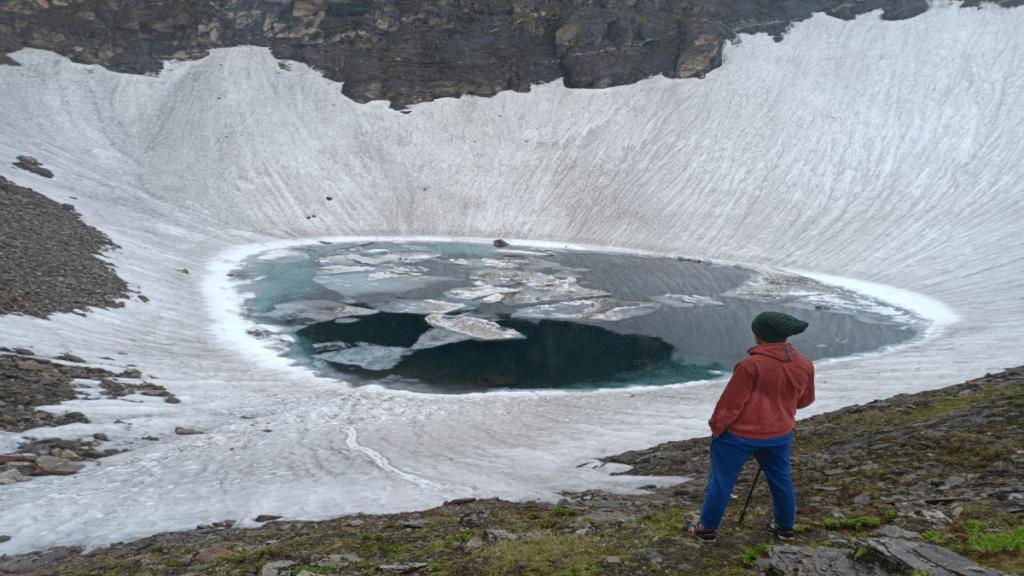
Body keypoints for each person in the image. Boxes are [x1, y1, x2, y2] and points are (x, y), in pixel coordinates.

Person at [683, 311, 815, 542]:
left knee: (722, 481)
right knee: (781, 478)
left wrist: (717, 428)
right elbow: (805, 401)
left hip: (738, 437)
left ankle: (705, 529)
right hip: (779, 435)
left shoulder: (750, 365)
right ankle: (784, 527)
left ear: (760, 336)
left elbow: (731, 405)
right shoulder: (804, 363)